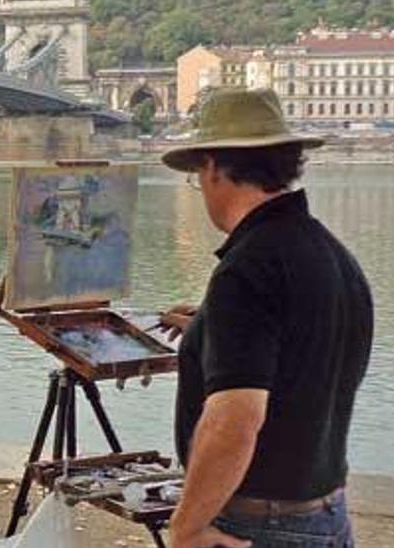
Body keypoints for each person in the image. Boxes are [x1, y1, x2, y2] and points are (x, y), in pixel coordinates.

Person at [155, 89, 373, 548]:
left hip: (261, 525)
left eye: (198, 176)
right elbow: (299, 357)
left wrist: (187, 528)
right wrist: (209, 329)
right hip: (327, 516)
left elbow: (235, 418)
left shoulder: (247, 269)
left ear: (213, 167)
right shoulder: (332, 255)